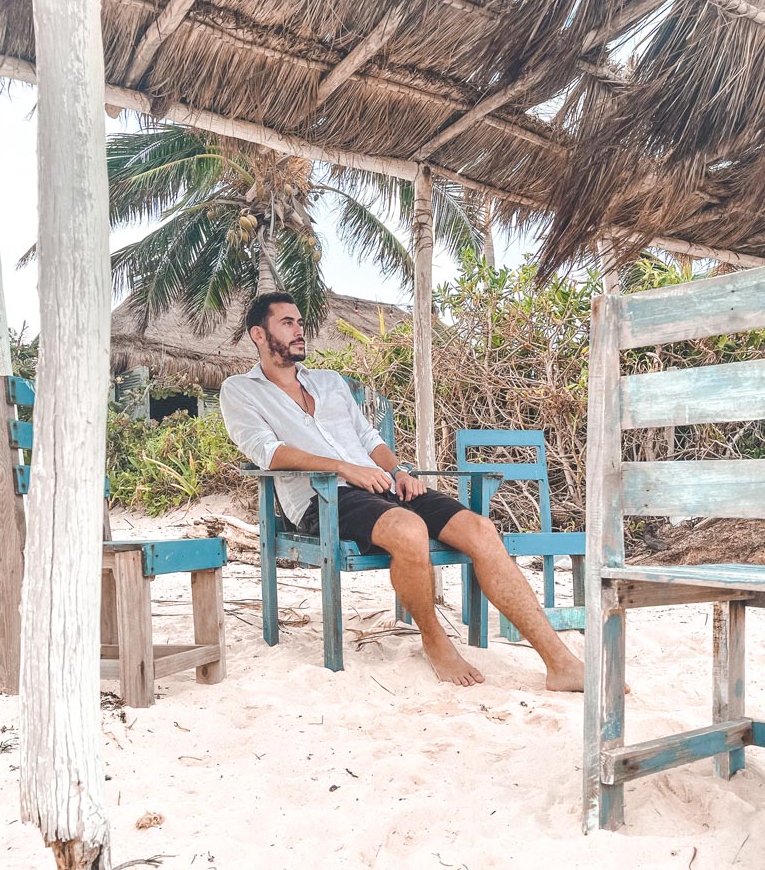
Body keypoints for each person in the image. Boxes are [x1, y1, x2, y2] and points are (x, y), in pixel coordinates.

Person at [220, 292, 584, 690]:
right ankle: (434, 640)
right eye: (287, 322)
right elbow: (267, 453)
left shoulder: (329, 382)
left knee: (481, 530)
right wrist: (346, 468)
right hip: (322, 497)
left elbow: (367, 436)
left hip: (380, 485)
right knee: (409, 530)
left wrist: (400, 470)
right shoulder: (240, 390)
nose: (299, 329)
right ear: (259, 333)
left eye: (300, 321)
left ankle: (559, 661)